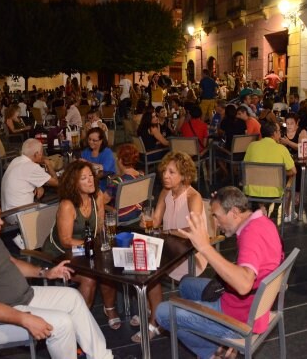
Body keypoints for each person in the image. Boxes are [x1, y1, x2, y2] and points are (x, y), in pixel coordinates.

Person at [0, 194, 113, 358]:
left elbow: (11, 262)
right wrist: (25, 318)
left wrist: (45, 272)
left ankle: (101, 356)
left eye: (0, 216)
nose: (1, 222)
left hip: (19, 298)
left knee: (73, 297)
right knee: (61, 324)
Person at [155, 186, 284, 359]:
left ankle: (211, 353)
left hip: (239, 319)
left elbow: (244, 285)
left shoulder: (250, 236)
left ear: (234, 212)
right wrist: (220, 199)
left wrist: (205, 247)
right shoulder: (262, 221)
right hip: (252, 304)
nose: (215, 223)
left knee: (162, 312)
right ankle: (216, 344)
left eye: (216, 216)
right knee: (186, 284)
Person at [131, 151, 208, 343]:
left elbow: (193, 229)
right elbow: (155, 220)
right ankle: (154, 309)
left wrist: (167, 231)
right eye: (165, 171)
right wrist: (146, 221)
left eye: (172, 172)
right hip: (168, 250)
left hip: (190, 255)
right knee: (141, 266)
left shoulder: (193, 197)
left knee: (150, 272)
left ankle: (154, 320)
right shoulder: (166, 192)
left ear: (184, 176)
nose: (165, 175)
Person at [41, 161, 121, 330]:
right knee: (90, 278)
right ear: (74, 183)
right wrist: (93, 244)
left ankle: (110, 309)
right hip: (60, 253)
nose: (90, 180)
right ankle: (79, 325)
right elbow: (66, 240)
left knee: (107, 269)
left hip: (86, 249)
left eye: (91, 176)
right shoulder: (67, 205)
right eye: (84, 178)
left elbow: (98, 227)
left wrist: (106, 236)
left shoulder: (96, 197)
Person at [1, 139, 58, 221]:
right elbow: (56, 182)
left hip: (8, 213)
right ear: (37, 154)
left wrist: (38, 186)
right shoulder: (31, 167)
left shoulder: (16, 160)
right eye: (42, 152)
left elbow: (24, 179)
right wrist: (48, 163)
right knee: (59, 211)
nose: (42, 155)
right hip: (21, 215)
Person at [103, 143, 144, 223]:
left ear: (120, 160)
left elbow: (103, 201)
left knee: (98, 202)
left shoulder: (118, 182)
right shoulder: (142, 176)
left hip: (122, 216)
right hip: (137, 211)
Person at [279, 113, 307, 206]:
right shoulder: (282, 131)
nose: (289, 126)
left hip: (298, 159)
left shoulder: (302, 132)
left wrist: (288, 142)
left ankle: (297, 193)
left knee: (297, 168)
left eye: (292, 123)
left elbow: (302, 148)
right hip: (285, 158)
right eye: (287, 123)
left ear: (297, 123)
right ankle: (282, 192)